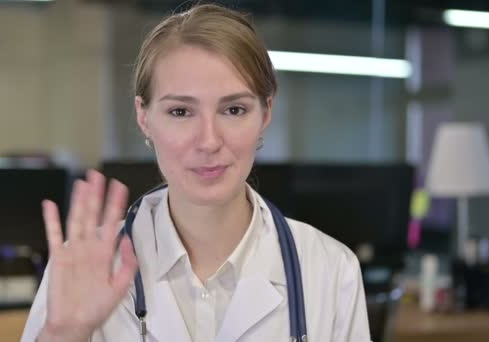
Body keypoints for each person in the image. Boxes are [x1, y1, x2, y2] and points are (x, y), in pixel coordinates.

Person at [22, 3, 371, 342]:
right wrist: (64, 335)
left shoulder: (330, 269)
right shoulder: (81, 268)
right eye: (180, 112)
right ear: (144, 117)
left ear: (265, 114)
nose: (208, 141)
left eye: (234, 109)